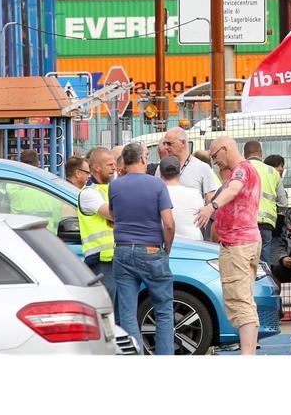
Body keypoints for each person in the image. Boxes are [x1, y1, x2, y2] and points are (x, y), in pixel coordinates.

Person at [196, 137, 263, 355]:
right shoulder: (245, 170)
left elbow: (234, 189)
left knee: (239, 300)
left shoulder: (241, 171)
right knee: (243, 299)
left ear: (225, 150)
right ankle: (249, 352)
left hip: (237, 245)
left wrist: (211, 207)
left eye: (215, 156)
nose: (215, 162)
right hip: (245, 241)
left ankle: (247, 355)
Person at [109, 141, 175, 355]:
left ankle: (134, 358)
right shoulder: (157, 185)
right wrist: (167, 248)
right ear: (143, 159)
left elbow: (114, 215)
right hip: (152, 251)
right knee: (163, 310)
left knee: (127, 311)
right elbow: (169, 223)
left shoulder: (115, 185)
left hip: (123, 251)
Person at [77, 147, 117, 308]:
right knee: (108, 310)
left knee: (121, 313)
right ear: (96, 167)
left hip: (118, 258)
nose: (114, 167)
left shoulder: (112, 188)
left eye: (114, 164)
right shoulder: (89, 193)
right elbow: (114, 214)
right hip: (101, 260)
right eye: (109, 164)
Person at [243, 141, 282, 264]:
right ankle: (265, 280)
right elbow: (283, 202)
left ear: (245, 154)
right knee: (264, 258)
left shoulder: (240, 168)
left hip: (246, 222)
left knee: (247, 258)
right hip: (266, 224)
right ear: (261, 153)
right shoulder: (272, 172)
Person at [156, 127, 218, 203]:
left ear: (183, 143)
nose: (165, 147)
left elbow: (210, 200)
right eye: (164, 144)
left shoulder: (203, 168)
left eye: (169, 144)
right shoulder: (161, 167)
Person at [160, 156, 203, 241]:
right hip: (194, 243)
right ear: (180, 172)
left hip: (166, 242)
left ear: (160, 173)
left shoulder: (157, 194)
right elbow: (201, 221)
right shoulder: (195, 193)